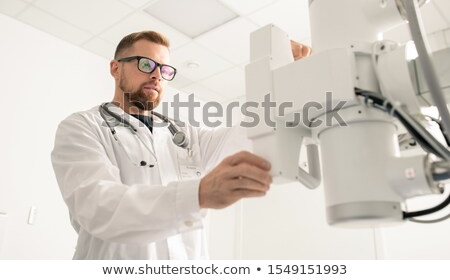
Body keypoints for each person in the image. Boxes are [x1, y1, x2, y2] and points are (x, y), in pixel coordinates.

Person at [51, 30, 311, 259]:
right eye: (145, 64)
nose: (157, 76)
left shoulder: (184, 134)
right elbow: (99, 207)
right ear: (115, 68)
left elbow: (244, 136)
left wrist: (282, 83)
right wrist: (198, 194)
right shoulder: (83, 127)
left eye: (164, 70)